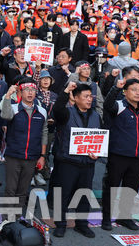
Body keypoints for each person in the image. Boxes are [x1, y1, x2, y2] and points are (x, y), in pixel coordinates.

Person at [101, 78, 139, 231]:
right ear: (125, 91)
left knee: (130, 189)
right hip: (118, 155)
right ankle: (106, 218)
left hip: (137, 158)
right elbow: (107, 105)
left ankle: (124, 217)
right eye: (134, 89)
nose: (138, 93)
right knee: (112, 187)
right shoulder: (119, 106)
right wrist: (115, 88)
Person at [50, 82, 100, 238]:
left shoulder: (96, 115)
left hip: (87, 164)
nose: (89, 99)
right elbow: (57, 109)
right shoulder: (66, 113)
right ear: (76, 98)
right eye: (85, 96)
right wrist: (65, 91)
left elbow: (101, 138)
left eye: (91, 96)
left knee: (84, 196)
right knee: (63, 195)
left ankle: (82, 225)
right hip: (67, 162)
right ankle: (60, 225)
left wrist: (98, 153)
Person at [0, 78, 48, 215]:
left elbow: (44, 134)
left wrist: (43, 156)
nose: (30, 93)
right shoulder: (14, 108)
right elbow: (5, 115)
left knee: (23, 190)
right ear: (21, 92)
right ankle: (7, 219)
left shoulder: (42, 111)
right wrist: (8, 95)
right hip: (13, 155)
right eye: (27, 90)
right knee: (11, 189)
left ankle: (17, 217)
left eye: (33, 90)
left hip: (32, 157)